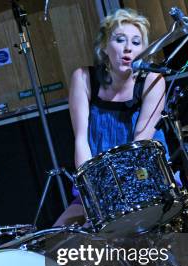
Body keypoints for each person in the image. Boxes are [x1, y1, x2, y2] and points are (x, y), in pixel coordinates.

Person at [54, 8, 168, 226]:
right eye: (120, 40)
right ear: (104, 46)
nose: (128, 48)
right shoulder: (83, 78)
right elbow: (81, 141)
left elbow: (141, 145)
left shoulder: (153, 80)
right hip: (97, 181)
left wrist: (119, 195)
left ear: (144, 50)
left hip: (142, 176)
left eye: (136, 43)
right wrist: (93, 192)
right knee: (60, 236)